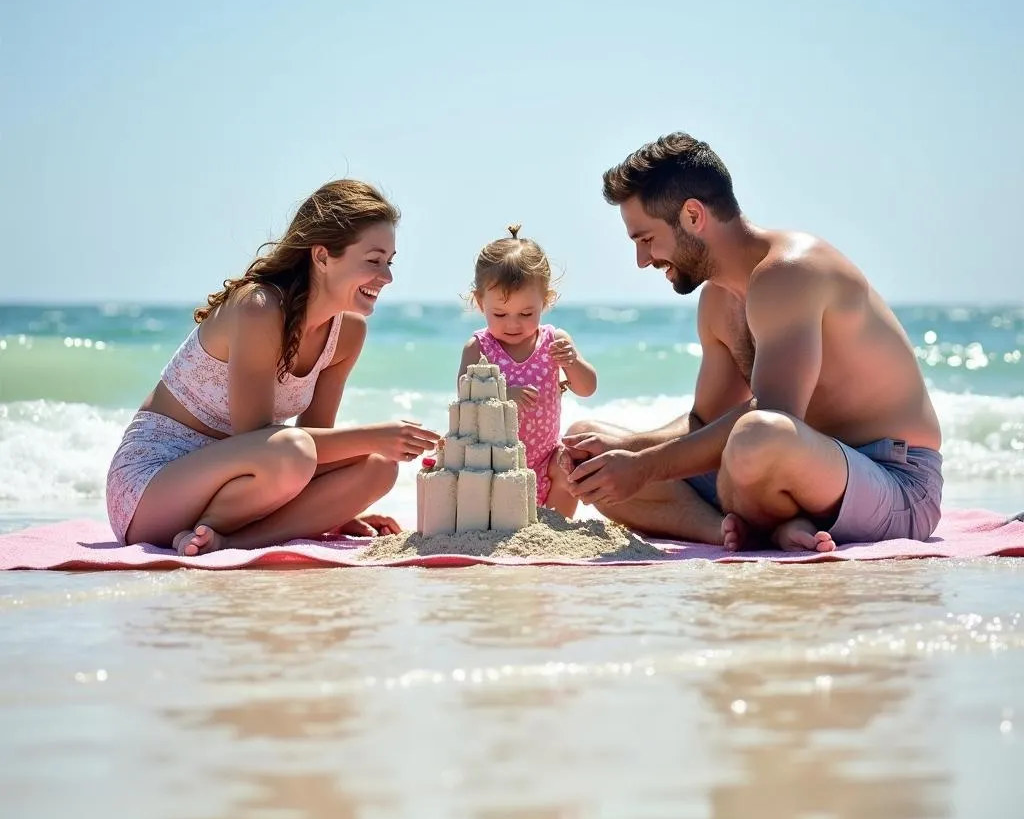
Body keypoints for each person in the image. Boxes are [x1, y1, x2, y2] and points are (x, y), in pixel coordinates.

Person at [563, 133, 943, 552]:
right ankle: (727, 530)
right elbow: (705, 422)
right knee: (587, 444)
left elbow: (776, 413)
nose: (642, 260)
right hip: (779, 475)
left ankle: (773, 525)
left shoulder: (790, 271)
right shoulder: (717, 300)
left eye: (646, 239)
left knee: (758, 436)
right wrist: (624, 449)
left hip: (893, 479)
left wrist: (644, 467)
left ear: (693, 216)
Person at [106, 179, 440, 556]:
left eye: (389, 263)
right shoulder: (259, 307)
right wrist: (372, 434)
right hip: (154, 488)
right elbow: (257, 440)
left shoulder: (347, 334)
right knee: (292, 451)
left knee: (380, 465)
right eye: (373, 261)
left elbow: (313, 438)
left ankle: (227, 539)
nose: (387, 277)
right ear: (322, 256)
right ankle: (207, 529)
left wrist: (332, 510)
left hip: (251, 482)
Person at [458, 224, 598, 517]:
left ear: (545, 301)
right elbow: (465, 402)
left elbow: (587, 388)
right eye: (499, 314)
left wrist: (572, 362)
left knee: (565, 464)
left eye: (526, 313)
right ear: (480, 301)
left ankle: (557, 527)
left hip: (544, 456)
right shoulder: (479, 348)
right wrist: (502, 393)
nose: (513, 324)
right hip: (497, 460)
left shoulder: (554, 341)